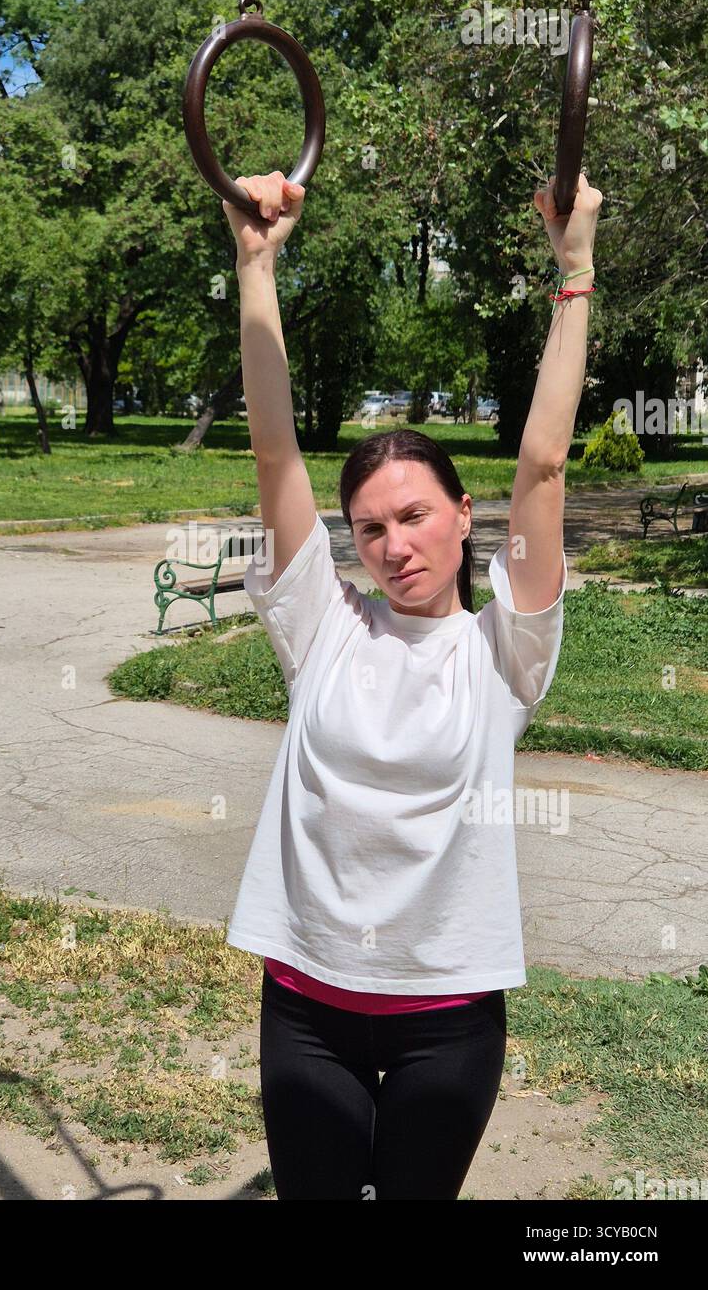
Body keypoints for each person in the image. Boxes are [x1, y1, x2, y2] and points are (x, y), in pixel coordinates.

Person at [222, 168, 602, 1200]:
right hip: (307, 1007)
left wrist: (575, 272)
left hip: (448, 1017)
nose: (395, 544)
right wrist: (257, 267)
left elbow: (546, 466)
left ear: (462, 513)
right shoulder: (323, 632)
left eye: (416, 515)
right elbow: (275, 453)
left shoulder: (503, 651)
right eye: (373, 527)